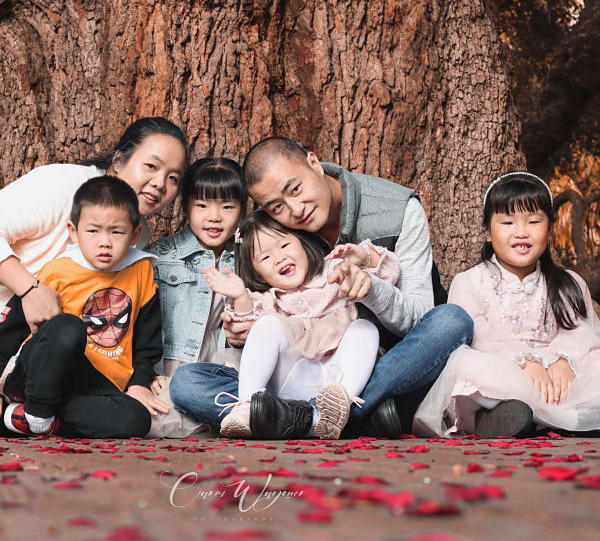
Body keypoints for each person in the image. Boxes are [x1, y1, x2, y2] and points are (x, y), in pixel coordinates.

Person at [170, 137, 473, 438]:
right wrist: (240, 332)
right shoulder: (275, 227)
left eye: (296, 189)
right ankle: (334, 418)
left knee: (451, 321)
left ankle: (300, 417)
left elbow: (418, 319)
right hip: (294, 374)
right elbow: (256, 320)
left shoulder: (398, 210)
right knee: (187, 383)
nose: (295, 209)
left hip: (380, 368)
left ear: (314, 164)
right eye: (277, 206)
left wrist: (371, 289)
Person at [413, 172, 600, 438]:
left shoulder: (568, 282)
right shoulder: (470, 281)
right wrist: (525, 362)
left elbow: (582, 332)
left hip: (557, 375)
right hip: (503, 367)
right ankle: (510, 416)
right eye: (508, 222)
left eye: (534, 221)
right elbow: (477, 337)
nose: (521, 232)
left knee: (595, 362)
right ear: (488, 232)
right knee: (468, 365)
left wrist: (562, 361)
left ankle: (540, 417)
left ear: (549, 229)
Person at [201, 209, 399, 440]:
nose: (279, 258)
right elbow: (247, 329)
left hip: (339, 377)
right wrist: (241, 297)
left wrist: (365, 257)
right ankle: (247, 406)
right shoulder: (270, 300)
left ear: (303, 242)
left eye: (284, 245)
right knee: (265, 326)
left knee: (365, 329)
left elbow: (390, 272)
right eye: (265, 258)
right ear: (258, 274)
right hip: (291, 382)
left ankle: (339, 407)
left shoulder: (334, 271)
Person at [1, 176, 164, 438]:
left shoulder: (141, 270)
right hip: (39, 373)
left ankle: (22, 419)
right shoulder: (58, 271)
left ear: (134, 235)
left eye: (117, 232)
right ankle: (38, 411)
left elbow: (147, 344)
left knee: (136, 420)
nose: (105, 242)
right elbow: (12, 328)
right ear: (73, 231)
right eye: (93, 230)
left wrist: (139, 384)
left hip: (95, 386)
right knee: (68, 328)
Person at [0, 117, 188, 336]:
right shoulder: (62, 185)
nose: (159, 183)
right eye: (151, 166)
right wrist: (29, 290)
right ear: (118, 161)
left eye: (173, 178)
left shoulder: (138, 234)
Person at [147, 157, 246, 438]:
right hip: (168, 369)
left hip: (221, 370)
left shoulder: (248, 261)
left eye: (227, 207)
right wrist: (148, 374)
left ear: (242, 210)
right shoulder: (162, 258)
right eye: (201, 205)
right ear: (186, 206)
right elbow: (144, 324)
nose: (214, 217)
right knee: (153, 419)